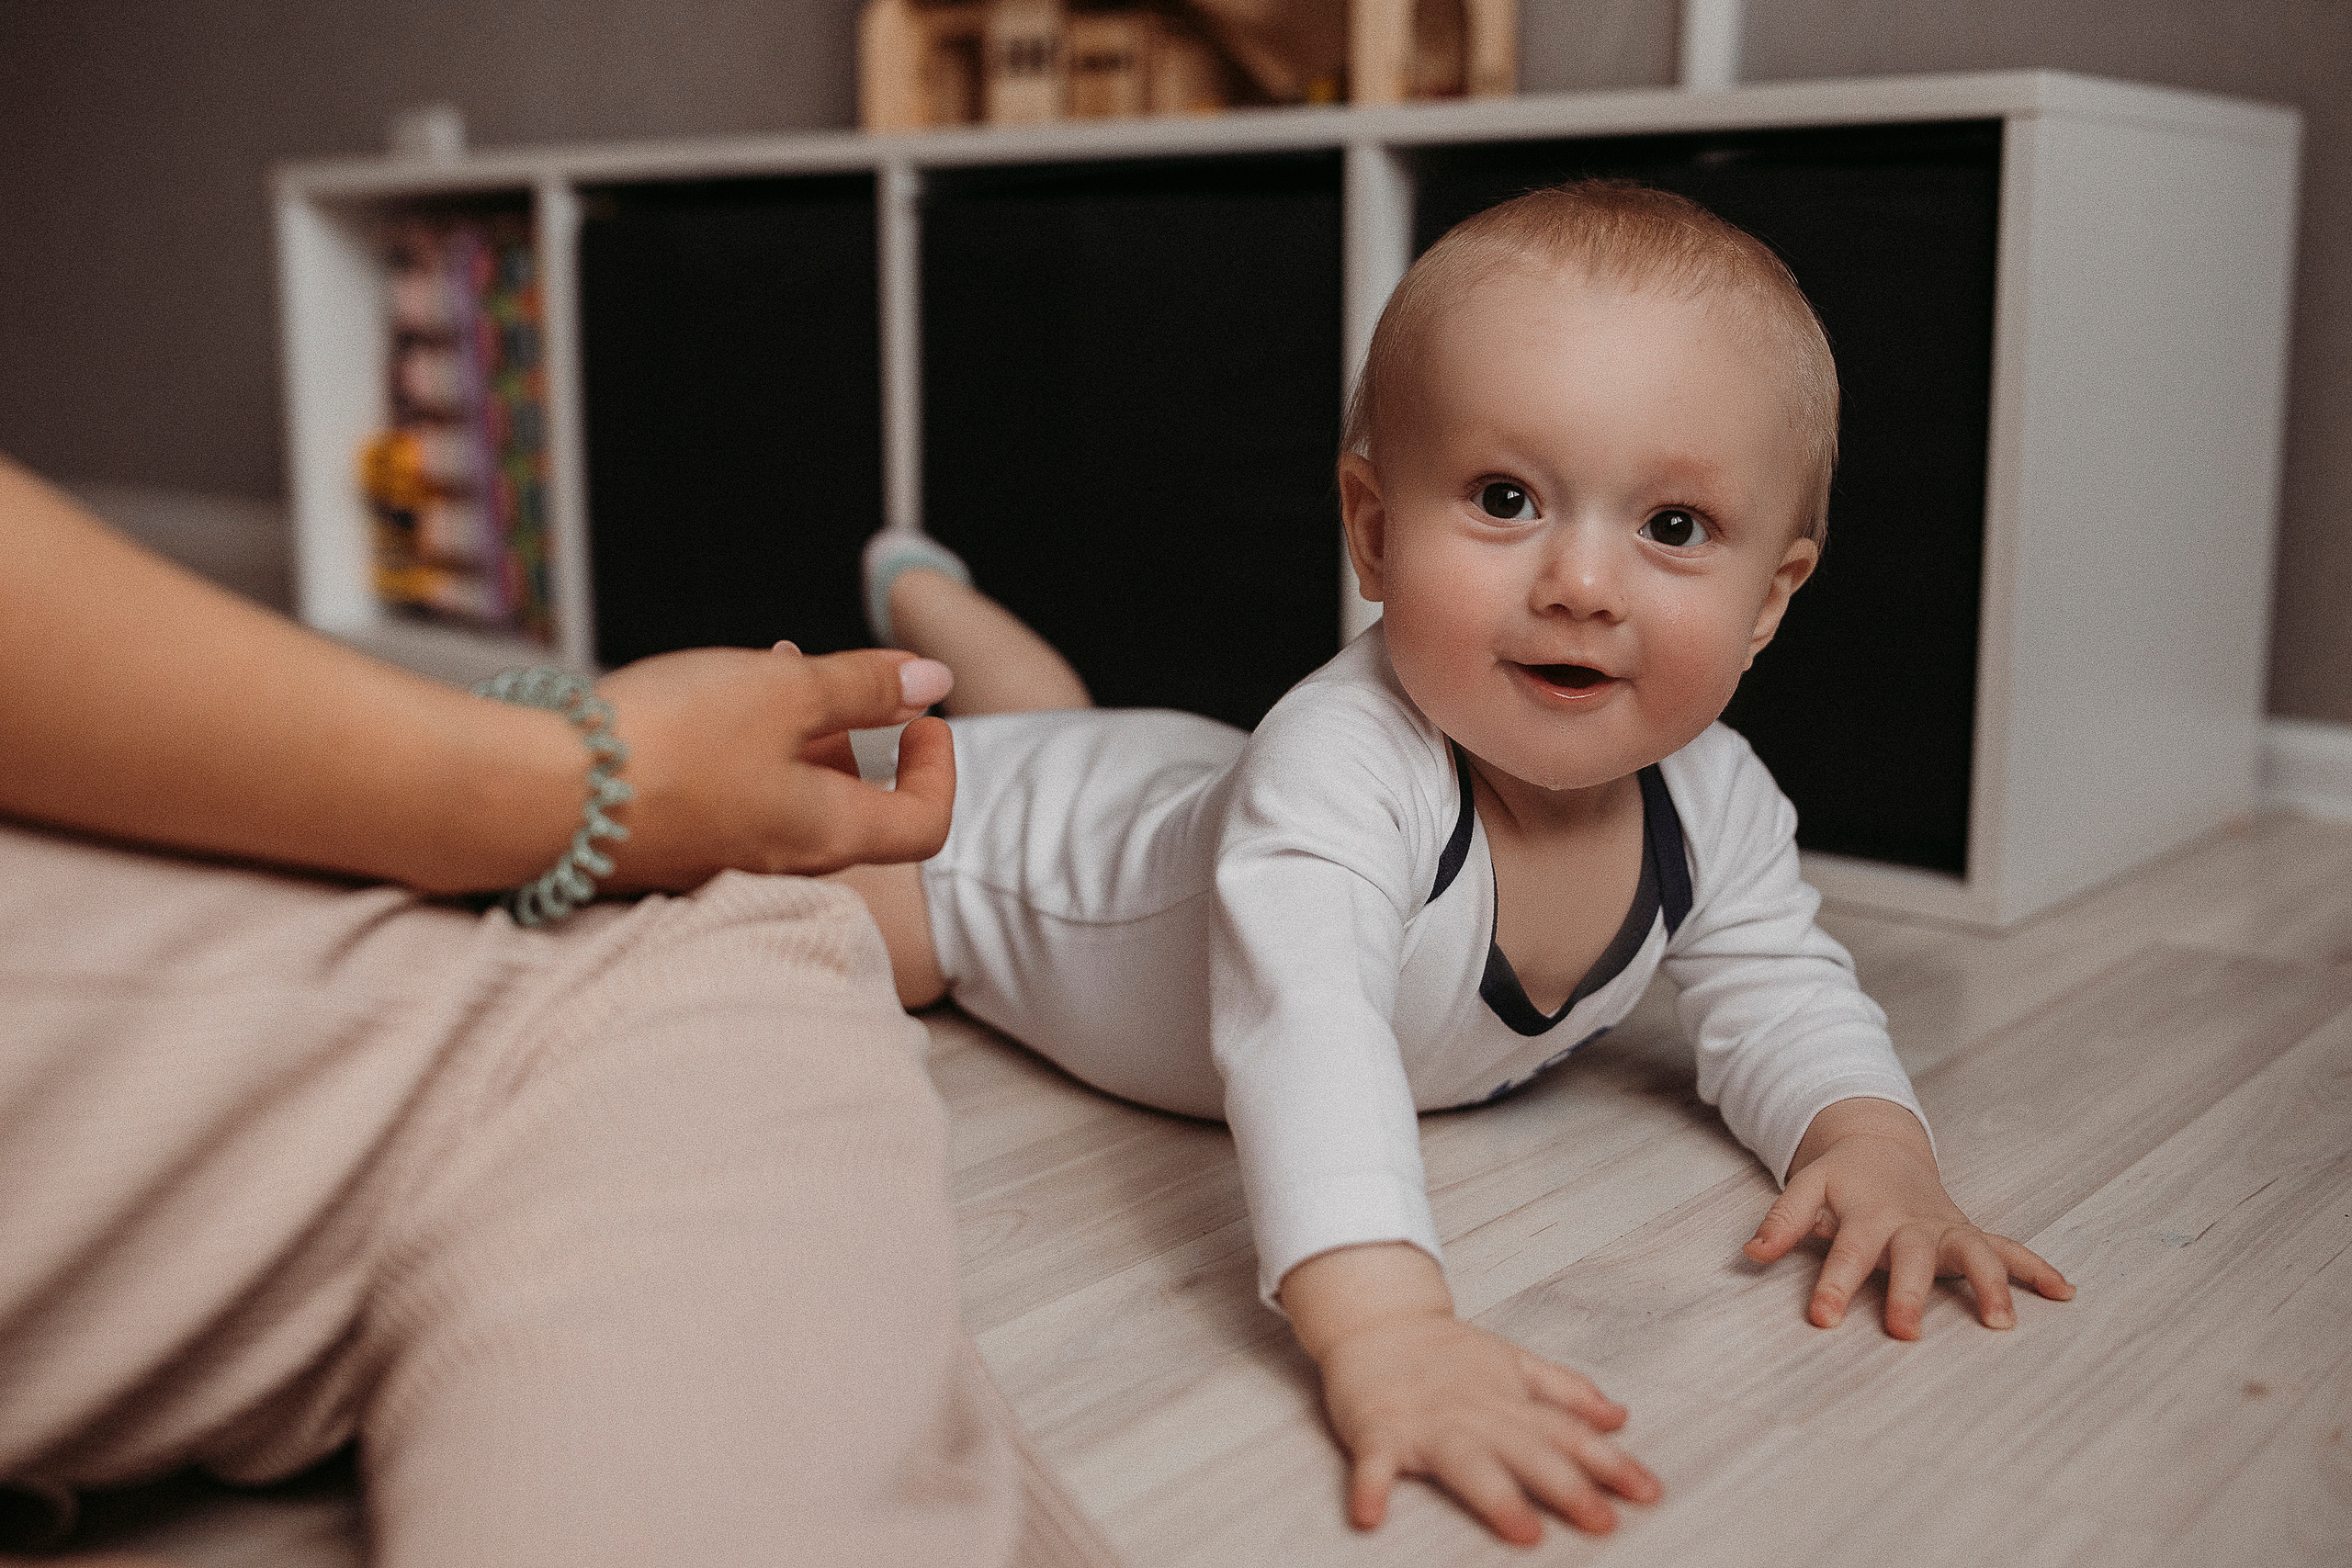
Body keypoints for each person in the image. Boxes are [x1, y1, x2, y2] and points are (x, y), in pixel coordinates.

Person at [833, 181, 2075, 1548]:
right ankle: (901, 634)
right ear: (1373, 530)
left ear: (1771, 595)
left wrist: (1873, 1141)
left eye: (1672, 528)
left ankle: (927, 590)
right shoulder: (1340, 766)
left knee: (1063, 724)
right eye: (1506, 498)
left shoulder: (1715, 801)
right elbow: (1308, 1033)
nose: (1584, 584)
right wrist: (1389, 1323)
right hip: (1010, 862)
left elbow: (1787, 989)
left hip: (1164, 771)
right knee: (843, 883)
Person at [0, 454, 1120, 1568]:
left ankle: (928, 592)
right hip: (1033, 800)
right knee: (732, 957)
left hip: (1115, 752)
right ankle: (922, 593)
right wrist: (572, 785)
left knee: (1009, 738)